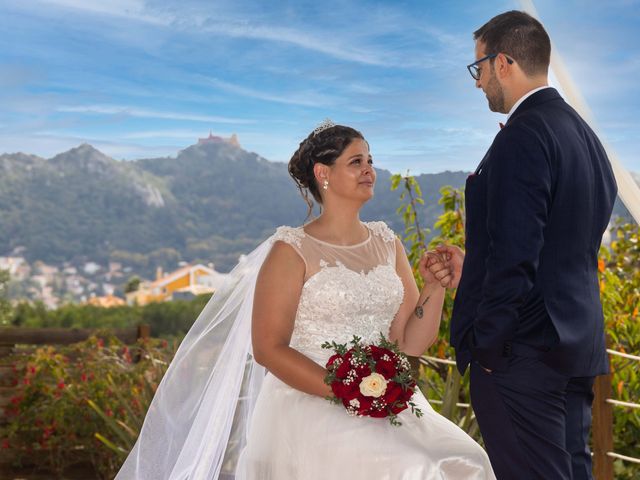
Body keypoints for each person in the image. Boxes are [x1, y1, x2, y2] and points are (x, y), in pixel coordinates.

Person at [115, 121, 495, 479]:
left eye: (370, 161)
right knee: (403, 468)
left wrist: (434, 286)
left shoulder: (387, 243)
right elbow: (268, 348)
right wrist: (346, 390)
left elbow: (410, 341)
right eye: (356, 161)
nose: (369, 170)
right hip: (310, 401)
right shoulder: (291, 250)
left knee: (465, 462)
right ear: (323, 173)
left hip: (385, 400)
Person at [430, 11, 617, 480]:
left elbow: (518, 256)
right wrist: (473, 265)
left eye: (479, 69)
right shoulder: (586, 138)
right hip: (574, 349)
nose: (478, 84)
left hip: (522, 356)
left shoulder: (524, 135)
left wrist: (488, 348)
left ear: (505, 62)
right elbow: (558, 244)